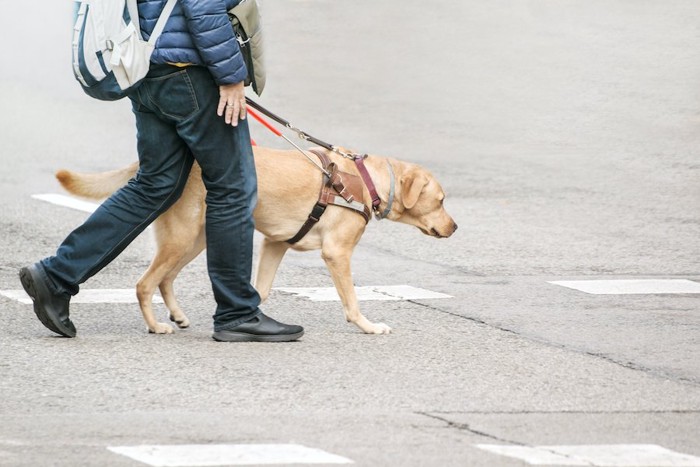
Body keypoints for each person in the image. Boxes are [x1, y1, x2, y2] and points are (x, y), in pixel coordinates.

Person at [19, 0, 303, 342]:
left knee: (155, 184)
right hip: (191, 73)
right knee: (233, 188)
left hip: (146, 70)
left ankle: (56, 275)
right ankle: (237, 313)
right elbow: (203, 9)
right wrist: (231, 78)